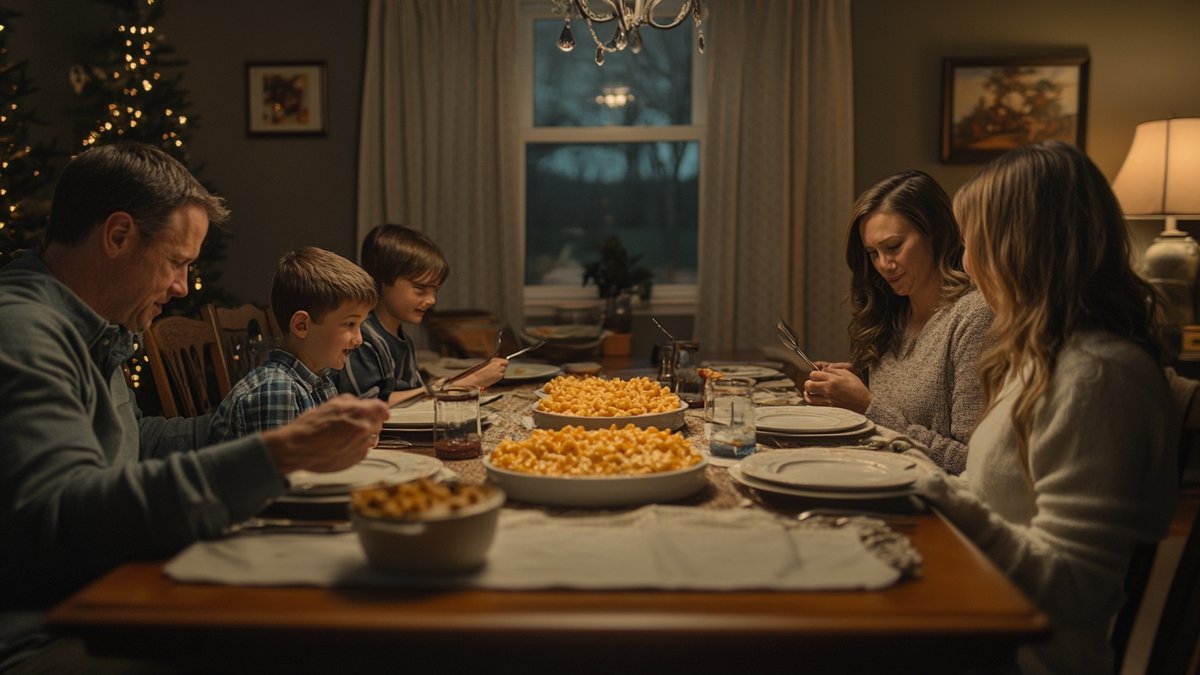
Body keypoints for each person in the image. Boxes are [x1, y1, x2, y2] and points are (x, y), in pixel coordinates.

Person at [0, 142, 388, 668]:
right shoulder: (23, 331)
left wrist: (255, 432)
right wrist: (273, 457)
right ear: (117, 236)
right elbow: (67, 517)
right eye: (177, 262)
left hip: (105, 596)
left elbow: (138, 440)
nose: (182, 287)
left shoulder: (89, 328)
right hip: (43, 634)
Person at [915, 140, 1178, 675]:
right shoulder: (1045, 362)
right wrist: (908, 471)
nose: (963, 262)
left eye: (970, 244)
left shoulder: (1096, 379)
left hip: (1018, 656)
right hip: (975, 616)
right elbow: (995, 496)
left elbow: (1073, 590)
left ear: (1019, 249)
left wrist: (939, 492)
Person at [804, 170, 992, 474]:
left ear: (935, 233)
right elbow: (907, 401)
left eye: (893, 247)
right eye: (872, 253)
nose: (883, 265)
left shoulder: (974, 317)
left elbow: (970, 463)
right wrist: (855, 380)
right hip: (874, 475)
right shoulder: (894, 311)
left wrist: (866, 406)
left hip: (933, 500)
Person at [209, 247, 378, 441]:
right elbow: (285, 470)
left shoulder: (320, 380)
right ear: (301, 325)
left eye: (360, 325)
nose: (359, 339)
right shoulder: (277, 389)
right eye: (350, 324)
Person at [337, 224, 507, 406]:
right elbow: (368, 405)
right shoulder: (362, 338)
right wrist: (466, 384)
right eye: (420, 289)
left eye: (435, 290)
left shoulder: (402, 339)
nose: (432, 300)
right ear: (382, 281)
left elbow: (416, 395)